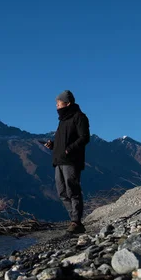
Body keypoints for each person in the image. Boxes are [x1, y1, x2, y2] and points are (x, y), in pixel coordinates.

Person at [44, 90, 90, 233]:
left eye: (59, 103)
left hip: (71, 160)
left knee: (73, 190)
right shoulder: (62, 121)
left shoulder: (79, 117)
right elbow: (62, 142)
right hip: (58, 161)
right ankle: (74, 221)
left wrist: (69, 149)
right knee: (62, 192)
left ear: (68, 103)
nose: (57, 106)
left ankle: (76, 221)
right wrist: (53, 146)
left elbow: (84, 137)